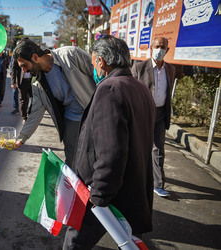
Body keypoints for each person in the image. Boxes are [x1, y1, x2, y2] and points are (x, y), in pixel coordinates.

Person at [63, 35, 156, 250]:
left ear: (101, 61)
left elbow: (111, 151)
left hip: (108, 192)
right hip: (133, 190)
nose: (93, 66)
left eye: (94, 61)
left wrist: (99, 195)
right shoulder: (140, 88)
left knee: (74, 244)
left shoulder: (110, 89)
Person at [13, 39, 96, 167]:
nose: (23, 70)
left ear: (35, 57)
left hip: (95, 114)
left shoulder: (70, 55)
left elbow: (98, 74)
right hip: (72, 120)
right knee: (72, 162)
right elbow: (36, 113)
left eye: (24, 65)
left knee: (97, 157)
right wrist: (21, 138)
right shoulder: (37, 84)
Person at [131, 37, 176, 197]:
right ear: (151, 48)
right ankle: (135, 180)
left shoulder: (170, 70)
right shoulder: (139, 68)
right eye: (157, 46)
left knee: (158, 149)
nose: (159, 49)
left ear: (167, 50)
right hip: (143, 114)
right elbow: (131, 91)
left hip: (161, 114)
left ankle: (158, 184)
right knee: (140, 148)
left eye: (163, 47)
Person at [10, 39, 33, 123]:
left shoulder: (30, 54)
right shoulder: (16, 55)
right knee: (23, 100)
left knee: (33, 98)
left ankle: (30, 113)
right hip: (21, 82)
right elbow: (14, 69)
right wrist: (13, 82)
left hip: (31, 81)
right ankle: (24, 117)